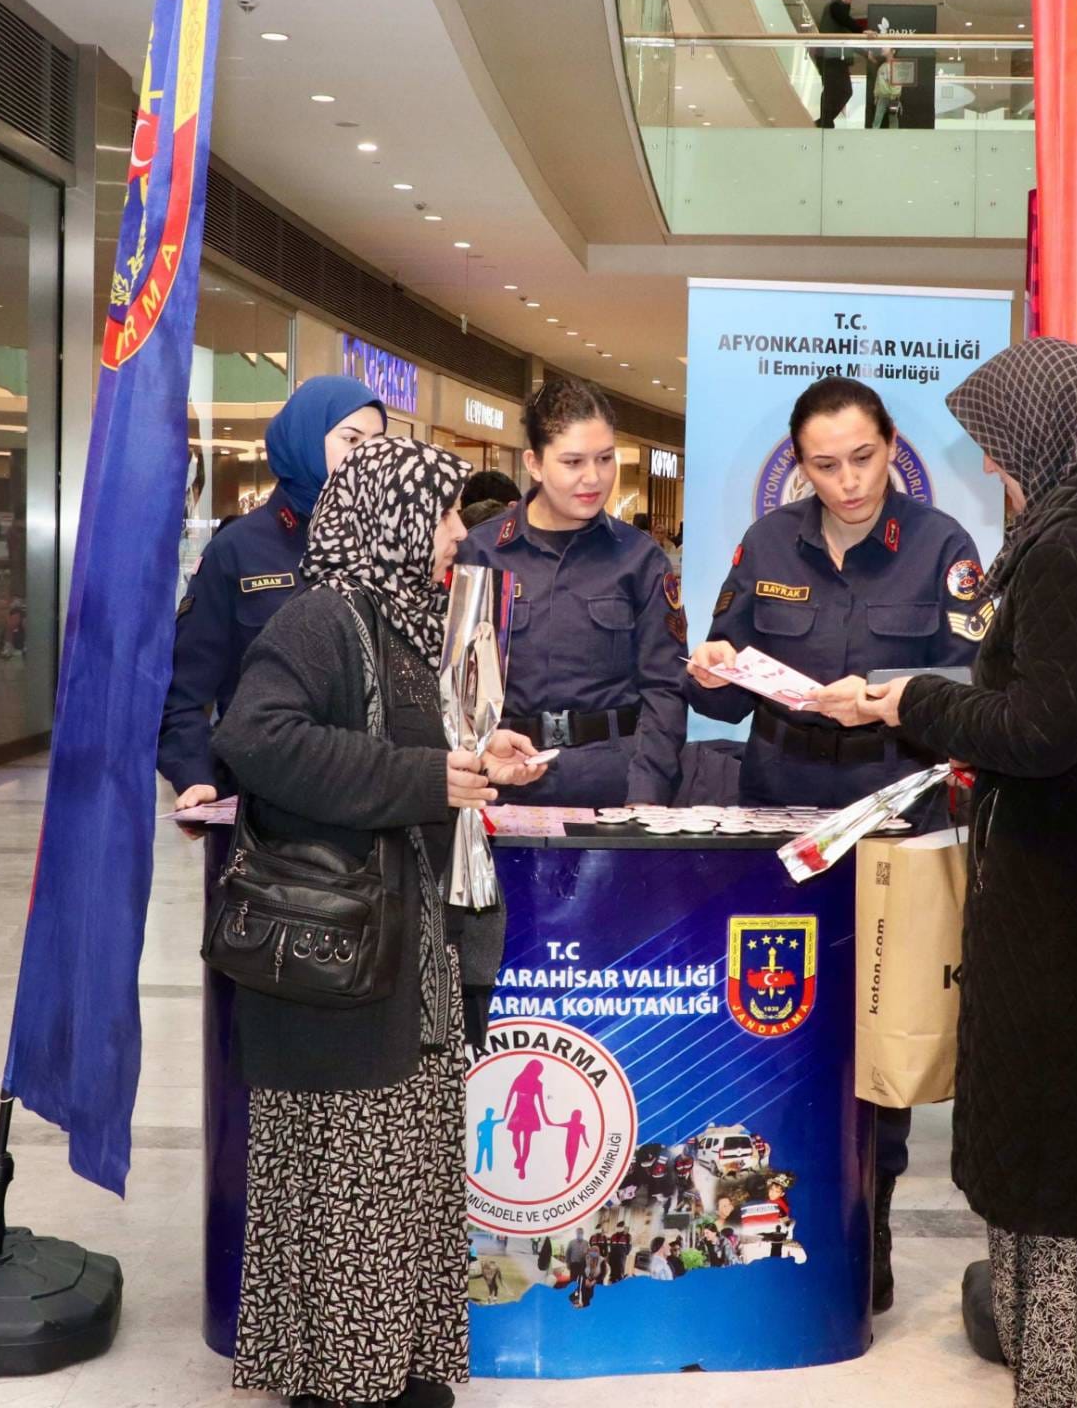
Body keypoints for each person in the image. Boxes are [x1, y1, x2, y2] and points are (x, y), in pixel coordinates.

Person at [817, 338, 1077, 1405]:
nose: (996, 473)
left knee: (1072, 1175)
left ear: (1050, 442)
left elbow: (1043, 730)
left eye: (1001, 450)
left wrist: (910, 700)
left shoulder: (1073, 549)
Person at [211, 435, 547, 1408]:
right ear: (389, 516)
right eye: (442, 513)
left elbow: (414, 749)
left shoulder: (404, 620)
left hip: (406, 942)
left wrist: (488, 755)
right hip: (339, 950)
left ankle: (386, 1360)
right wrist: (422, 777)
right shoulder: (321, 618)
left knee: (401, 1162)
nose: (456, 535)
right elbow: (254, 737)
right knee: (349, 1164)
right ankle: (335, 1374)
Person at [685, 375, 983, 1313]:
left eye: (863, 458)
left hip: (896, 813)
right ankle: (777, 1211)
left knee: (883, 1034)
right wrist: (713, 668)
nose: (848, 482)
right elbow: (722, 681)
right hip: (784, 816)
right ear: (799, 465)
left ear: (891, 445)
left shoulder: (943, 547)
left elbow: (975, 678)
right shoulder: (770, 542)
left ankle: (872, 1216)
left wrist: (888, 691)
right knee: (780, 1020)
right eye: (824, 465)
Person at [159, 374, 386, 810]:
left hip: (374, 794)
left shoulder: (387, 544)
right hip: (262, 803)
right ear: (304, 440)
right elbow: (184, 690)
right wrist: (198, 776)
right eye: (352, 440)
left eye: (378, 442)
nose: (370, 457)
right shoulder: (239, 550)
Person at [460, 377, 686, 806]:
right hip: (507, 783)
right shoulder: (483, 552)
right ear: (535, 463)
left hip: (613, 784)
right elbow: (458, 689)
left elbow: (666, 690)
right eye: (573, 461)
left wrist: (648, 793)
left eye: (604, 459)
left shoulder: (640, 559)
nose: (593, 478)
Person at [814, 0, 864, 129]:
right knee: (838, 90)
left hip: (833, 56)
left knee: (840, 90)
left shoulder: (836, 13)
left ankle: (825, 121)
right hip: (832, 57)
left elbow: (846, 34)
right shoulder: (834, 6)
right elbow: (844, 20)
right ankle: (824, 122)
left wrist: (865, 52)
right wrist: (862, 32)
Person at [872, 49, 902, 130]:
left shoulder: (897, 65)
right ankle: (873, 137)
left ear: (893, 51)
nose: (883, 48)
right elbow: (877, 82)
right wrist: (876, 95)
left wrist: (895, 95)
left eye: (886, 45)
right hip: (882, 98)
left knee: (893, 119)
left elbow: (898, 84)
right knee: (877, 119)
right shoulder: (882, 66)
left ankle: (894, 138)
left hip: (893, 98)